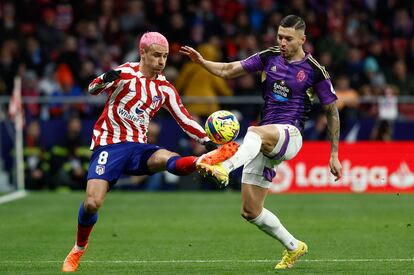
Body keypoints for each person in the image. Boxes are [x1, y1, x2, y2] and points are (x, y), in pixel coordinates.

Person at [62, 32, 238, 272]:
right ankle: (78, 250)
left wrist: (207, 140)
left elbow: (184, 118)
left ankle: (203, 161)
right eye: (157, 55)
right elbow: (92, 89)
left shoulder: (165, 88)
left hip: (138, 147)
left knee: (166, 158)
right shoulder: (125, 73)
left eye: (165, 56)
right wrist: (105, 78)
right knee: (92, 203)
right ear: (142, 53)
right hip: (110, 145)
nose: (162, 61)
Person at [180, 15, 342, 270]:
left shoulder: (314, 70)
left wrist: (334, 154)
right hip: (267, 138)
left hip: (290, 135)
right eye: (280, 37)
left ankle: (224, 166)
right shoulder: (269, 57)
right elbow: (228, 70)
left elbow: (332, 111)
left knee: (255, 132)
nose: (283, 42)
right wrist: (202, 62)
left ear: (302, 39)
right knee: (250, 211)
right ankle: (293, 246)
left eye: (288, 38)